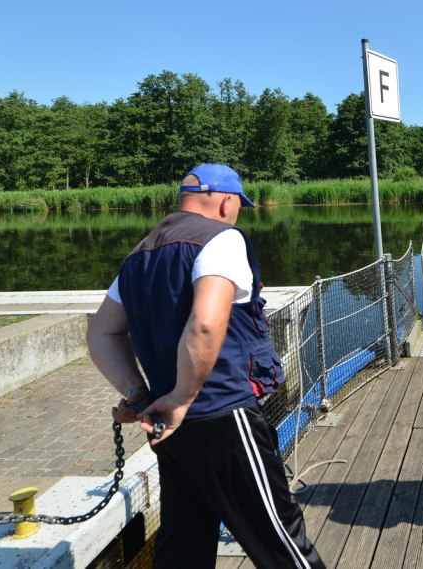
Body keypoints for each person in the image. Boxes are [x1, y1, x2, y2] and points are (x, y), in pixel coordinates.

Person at [87, 163, 325, 569]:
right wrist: (183, 396)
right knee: (280, 538)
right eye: (239, 206)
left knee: (184, 540)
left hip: (169, 425)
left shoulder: (138, 256)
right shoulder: (221, 239)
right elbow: (205, 322)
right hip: (221, 413)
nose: (238, 214)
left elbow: (102, 333)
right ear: (226, 201)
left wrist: (138, 393)